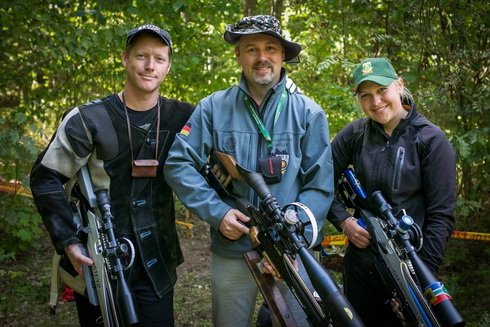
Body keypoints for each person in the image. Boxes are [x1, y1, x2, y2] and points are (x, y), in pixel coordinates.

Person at [164, 15, 334, 326]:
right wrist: (218, 213)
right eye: (251, 49)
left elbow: (320, 184)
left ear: (283, 55)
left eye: (270, 47)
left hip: (292, 254)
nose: (262, 57)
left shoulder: (309, 113)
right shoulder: (212, 108)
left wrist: (295, 236)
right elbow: (178, 163)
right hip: (233, 251)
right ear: (238, 55)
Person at [30, 24, 194, 326]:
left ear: (169, 66)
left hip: (158, 259)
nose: (149, 65)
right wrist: (69, 242)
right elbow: (46, 178)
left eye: (159, 58)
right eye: (141, 56)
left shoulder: (184, 117)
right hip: (98, 259)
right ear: (124, 59)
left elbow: (214, 168)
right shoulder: (87, 119)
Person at [327, 57, 457, 326]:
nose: (375, 102)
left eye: (381, 90)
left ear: (399, 85)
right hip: (360, 264)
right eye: (366, 95)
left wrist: (417, 281)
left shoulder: (431, 140)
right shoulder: (355, 134)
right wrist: (343, 220)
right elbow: (319, 183)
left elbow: (441, 216)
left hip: (409, 262)